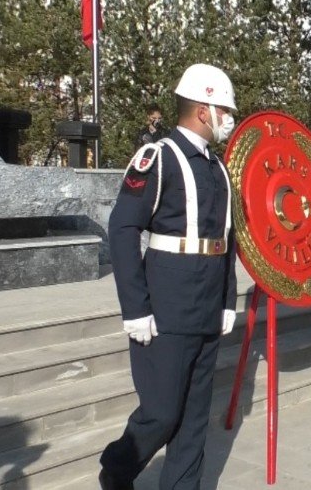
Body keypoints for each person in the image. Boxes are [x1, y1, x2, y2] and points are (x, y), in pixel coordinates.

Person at [99, 64, 239, 490]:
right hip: (167, 301)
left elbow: (226, 237)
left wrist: (228, 299)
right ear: (202, 109)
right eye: (225, 110)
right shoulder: (158, 157)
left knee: (195, 419)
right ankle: (117, 469)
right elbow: (123, 228)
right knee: (162, 412)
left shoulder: (216, 166)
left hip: (207, 300)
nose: (229, 118)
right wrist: (135, 307)